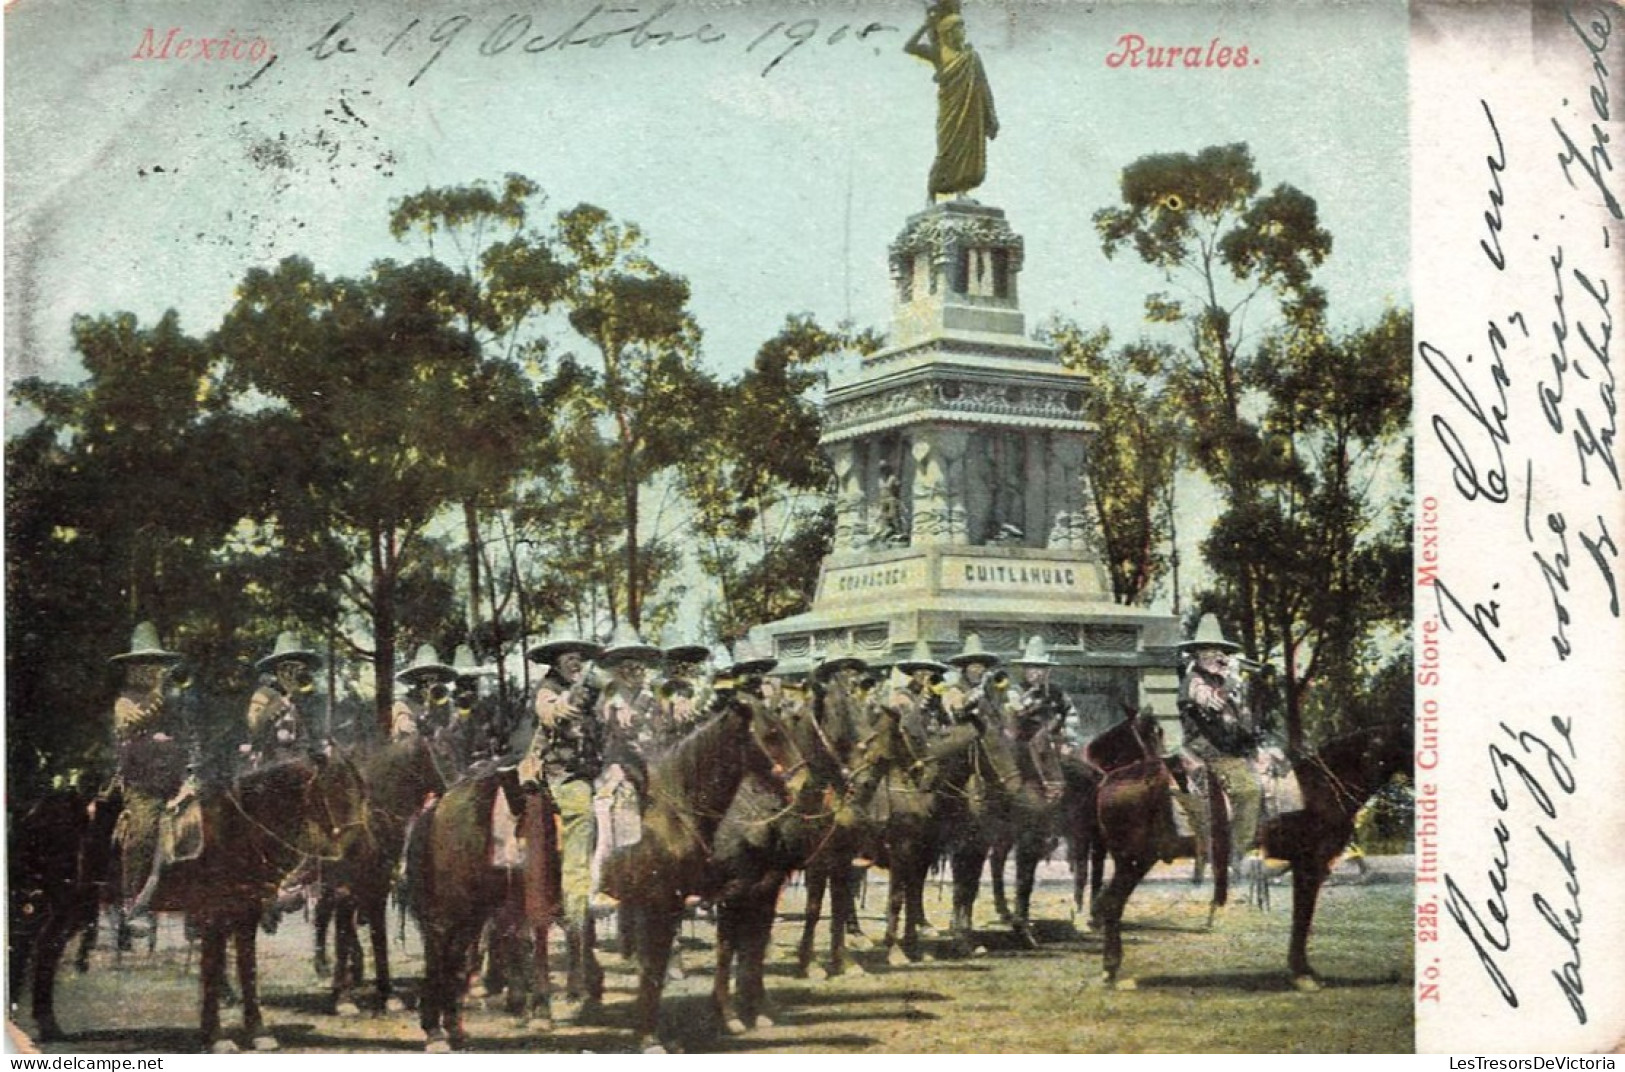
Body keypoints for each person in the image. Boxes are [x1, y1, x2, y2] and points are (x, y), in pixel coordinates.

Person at [516, 631, 605, 919]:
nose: (575, 664)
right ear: (556, 663)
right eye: (569, 659)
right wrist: (568, 702)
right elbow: (552, 711)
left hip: (596, 769)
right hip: (561, 773)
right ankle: (577, 902)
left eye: (579, 659)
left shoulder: (595, 692)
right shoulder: (548, 687)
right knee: (582, 812)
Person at [109, 623, 189, 931]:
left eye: (156, 666)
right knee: (143, 832)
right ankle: (133, 902)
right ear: (132, 669)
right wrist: (159, 699)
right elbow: (131, 727)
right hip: (141, 783)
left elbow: (184, 732)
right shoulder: (126, 701)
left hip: (174, 779)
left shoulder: (173, 700)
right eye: (144, 666)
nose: (151, 671)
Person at [1177, 614, 1266, 874]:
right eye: (1207, 651)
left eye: (1219, 651)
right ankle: (1236, 856)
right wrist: (1233, 679)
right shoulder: (1193, 681)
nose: (1215, 656)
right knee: (1249, 790)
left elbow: (1241, 719)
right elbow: (1213, 704)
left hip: (1231, 747)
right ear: (1196, 655)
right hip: (1205, 749)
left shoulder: (1223, 680)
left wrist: (1255, 744)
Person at [904, 0, 999, 202]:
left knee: (968, 151)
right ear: (948, 33)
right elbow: (909, 47)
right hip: (950, 112)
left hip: (971, 112)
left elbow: (984, 87)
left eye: (963, 29)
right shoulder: (939, 54)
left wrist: (991, 117)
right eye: (958, 29)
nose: (963, 34)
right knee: (946, 151)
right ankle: (931, 193)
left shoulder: (972, 57)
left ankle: (962, 192)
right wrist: (926, 25)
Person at [1007, 635, 1075, 798]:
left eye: (1040, 668)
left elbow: (1070, 714)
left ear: (1047, 671)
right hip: (1025, 740)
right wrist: (1031, 696)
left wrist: (1070, 742)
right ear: (1024, 670)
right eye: (1031, 668)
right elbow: (1017, 711)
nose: (1035, 672)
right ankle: (1048, 786)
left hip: (1054, 739)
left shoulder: (1056, 691)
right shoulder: (1015, 690)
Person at [246, 632, 322, 766]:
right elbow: (254, 724)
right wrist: (281, 704)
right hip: (272, 761)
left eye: (298, 668)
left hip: (303, 759)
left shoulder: (306, 698)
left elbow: (315, 730)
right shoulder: (265, 694)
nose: (292, 673)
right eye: (287, 668)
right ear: (277, 671)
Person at [391, 643, 457, 743]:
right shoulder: (405, 703)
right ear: (417, 681)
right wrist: (404, 724)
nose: (429, 684)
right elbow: (401, 722)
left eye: (433, 679)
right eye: (424, 680)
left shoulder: (448, 703)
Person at [940, 632, 1003, 734]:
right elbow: (954, 717)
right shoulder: (954, 690)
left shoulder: (990, 688)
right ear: (965, 669)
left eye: (981, 667)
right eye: (974, 667)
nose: (978, 671)